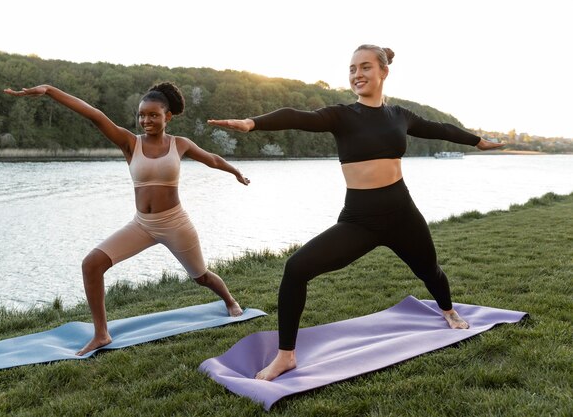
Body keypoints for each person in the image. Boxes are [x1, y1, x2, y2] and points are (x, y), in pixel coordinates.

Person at [208, 44, 504, 381]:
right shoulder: (341, 115)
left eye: (364, 67)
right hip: (359, 220)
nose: (357, 75)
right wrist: (252, 123)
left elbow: (440, 129)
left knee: (430, 271)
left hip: (402, 213)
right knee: (296, 268)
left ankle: (448, 310)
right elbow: (297, 116)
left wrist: (477, 141)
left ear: (383, 72)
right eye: (352, 69)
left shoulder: (400, 116)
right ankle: (286, 355)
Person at [4, 82, 249, 356]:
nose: (146, 120)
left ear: (168, 117)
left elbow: (212, 159)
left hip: (176, 223)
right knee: (91, 265)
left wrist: (234, 171)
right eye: (142, 115)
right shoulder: (130, 142)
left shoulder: (180, 144)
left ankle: (229, 300)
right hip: (142, 225)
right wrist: (49, 91)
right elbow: (94, 114)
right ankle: (101, 334)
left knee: (201, 277)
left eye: (153, 115)